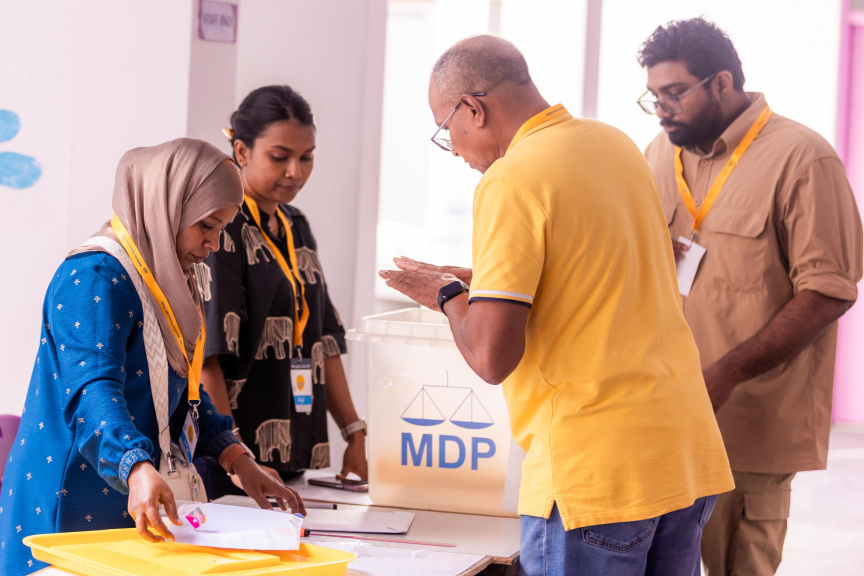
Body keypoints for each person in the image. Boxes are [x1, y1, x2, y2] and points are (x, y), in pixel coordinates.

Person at [381, 35, 734, 576]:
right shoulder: (612, 143)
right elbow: (597, 272)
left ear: (473, 109)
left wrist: (447, 295)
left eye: (446, 128)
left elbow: (492, 356)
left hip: (598, 471)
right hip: (683, 452)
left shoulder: (511, 178)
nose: (452, 149)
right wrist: (484, 282)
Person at [0, 139, 306, 576]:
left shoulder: (170, 281)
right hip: (73, 499)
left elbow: (182, 391)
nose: (214, 243)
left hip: (135, 488)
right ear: (168, 206)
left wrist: (238, 460)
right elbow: (93, 391)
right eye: (206, 225)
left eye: (222, 228)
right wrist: (134, 464)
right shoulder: (95, 276)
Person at [636, 18, 863, 576]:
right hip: (662, 419)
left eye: (674, 93)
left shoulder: (803, 158)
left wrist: (727, 374)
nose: (663, 110)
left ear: (721, 83)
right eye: (654, 97)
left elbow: (828, 292)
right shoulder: (659, 154)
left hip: (746, 425)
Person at [193, 85, 367, 498]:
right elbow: (207, 355)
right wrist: (236, 455)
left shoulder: (295, 223)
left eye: (306, 157)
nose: (295, 171)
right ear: (241, 151)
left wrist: (354, 432)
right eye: (280, 156)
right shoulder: (220, 229)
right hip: (234, 467)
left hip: (292, 451)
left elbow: (324, 339)